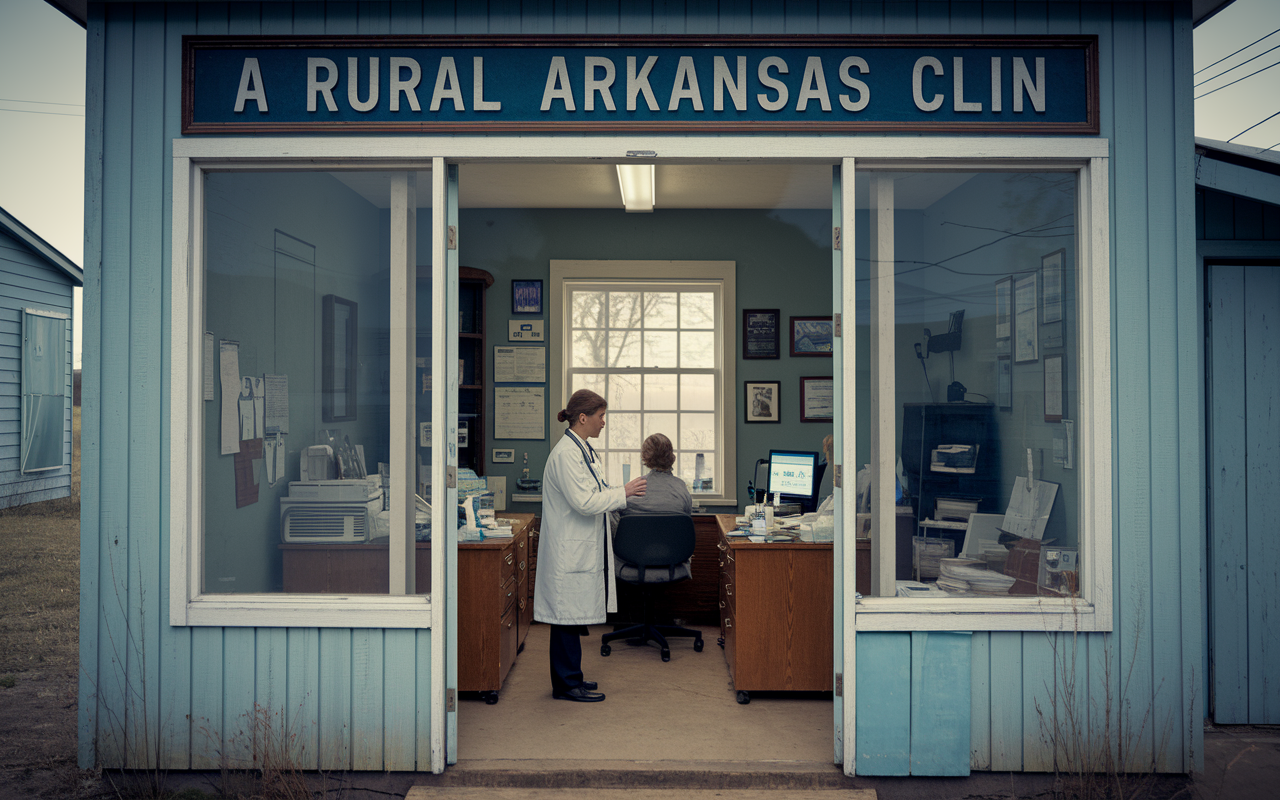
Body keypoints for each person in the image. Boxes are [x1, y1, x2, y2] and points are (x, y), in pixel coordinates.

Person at [534, 389, 646, 702]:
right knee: (566, 618)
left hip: (579, 546)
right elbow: (584, 501)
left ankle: (574, 678)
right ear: (583, 418)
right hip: (568, 550)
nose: (604, 423)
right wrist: (623, 492)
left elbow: (597, 489)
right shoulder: (567, 454)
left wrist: (621, 493)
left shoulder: (582, 449)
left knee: (573, 615)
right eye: (600, 416)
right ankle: (567, 685)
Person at [614, 433, 694, 582]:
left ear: (645, 457)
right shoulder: (681, 489)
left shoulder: (634, 489)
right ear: (671, 456)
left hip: (631, 564)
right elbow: (686, 519)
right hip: (673, 563)